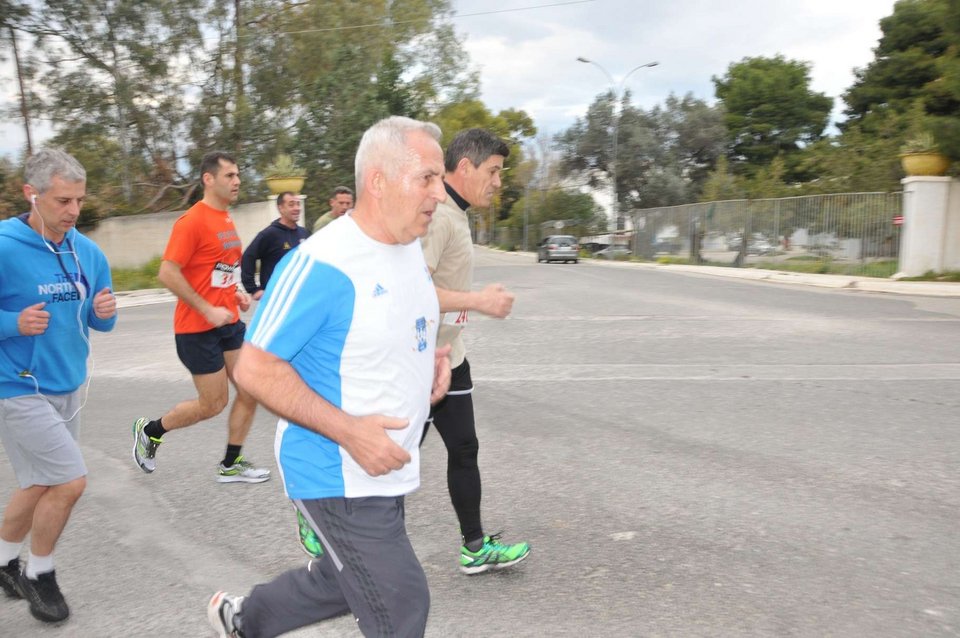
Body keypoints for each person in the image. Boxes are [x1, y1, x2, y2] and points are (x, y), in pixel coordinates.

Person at [207, 115, 451, 638]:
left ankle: (245, 619)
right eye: (427, 178)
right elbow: (254, 367)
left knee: (344, 581)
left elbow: (408, 321)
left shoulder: (408, 246)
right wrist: (348, 430)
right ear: (379, 182)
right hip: (335, 468)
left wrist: (431, 358)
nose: (441, 194)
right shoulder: (321, 262)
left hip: (381, 465)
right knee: (400, 603)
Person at [0, 148, 117, 623]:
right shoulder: (5, 246)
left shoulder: (86, 252)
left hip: (68, 385)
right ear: (32, 194)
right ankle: (39, 574)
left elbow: (95, 318)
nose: (73, 211)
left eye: (79, 201)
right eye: (63, 200)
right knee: (70, 481)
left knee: (38, 483)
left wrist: (102, 314)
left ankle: (4, 562)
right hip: (17, 385)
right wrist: (12, 322)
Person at [420, 128, 530, 574]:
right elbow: (414, 292)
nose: (498, 182)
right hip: (418, 361)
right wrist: (479, 301)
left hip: (451, 356)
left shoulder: (458, 213)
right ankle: (324, 516)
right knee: (389, 459)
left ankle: (474, 546)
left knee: (465, 449)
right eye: (493, 171)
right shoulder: (437, 214)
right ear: (464, 167)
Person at [131, 151, 269, 484]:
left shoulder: (225, 219)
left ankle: (231, 464)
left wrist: (233, 293)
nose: (237, 181)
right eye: (230, 176)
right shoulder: (192, 221)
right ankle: (151, 430)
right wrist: (207, 308)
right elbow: (167, 272)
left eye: (238, 175)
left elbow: (218, 269)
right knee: (213, 403)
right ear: (209, 179)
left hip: (228, 323)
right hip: (196, 329)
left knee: (250, 390)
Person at [240, 191, 309, 300]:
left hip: (299, 296)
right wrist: (253, 289)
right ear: (280, 208)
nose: (296, 208)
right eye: (291, 204)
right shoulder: (270, 234)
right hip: (275, 298)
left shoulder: (304, 233)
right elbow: (248, 257)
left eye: (298, 204)